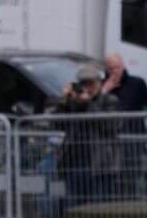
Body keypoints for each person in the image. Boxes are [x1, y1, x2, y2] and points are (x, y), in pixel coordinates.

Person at [49, 63, 121, 207]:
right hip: (74, 164)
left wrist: (88, 103)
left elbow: (111, 125)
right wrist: (64, 101)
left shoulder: (109, 100)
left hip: (99, 164)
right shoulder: (74, 103)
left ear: (99, 84)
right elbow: (56, 124)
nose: (87, 88)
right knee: (74, 210)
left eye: (91, 83)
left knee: (97, 211)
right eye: (83, 84)